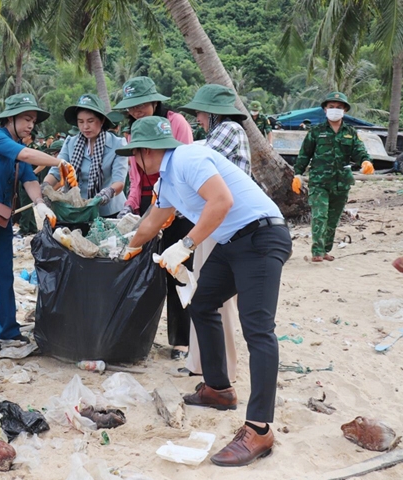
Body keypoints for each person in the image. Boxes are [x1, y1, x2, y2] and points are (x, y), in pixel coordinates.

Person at [120, 116, 292, 467]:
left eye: (133, 154)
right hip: (234, 241)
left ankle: (259, 428)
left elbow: (221, 201)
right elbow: (154, 219)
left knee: (258, 329)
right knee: (201, 304)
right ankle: (219, 389)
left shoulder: (188, 158)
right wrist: (125, 248)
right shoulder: (167, 179)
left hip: (261, 236)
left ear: (144, 152)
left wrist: (185, 245)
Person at [0, 93, 75, 351]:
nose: (30, 125)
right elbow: (25, 156)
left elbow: (29, 180)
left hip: (1, 215)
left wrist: (40, 204)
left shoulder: (16, 144)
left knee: (4, 273)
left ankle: (8, 329)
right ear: (10, 119)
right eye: (26, 119)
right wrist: (60, 161)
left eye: (33, 120)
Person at [113, 76, 194, 360]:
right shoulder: (131, 133)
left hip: (180, 206)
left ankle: (181, 341)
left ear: (155, 101)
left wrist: (168, 211)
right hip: (151, 203)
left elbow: (183, 170)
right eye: (131, 107)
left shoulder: (176, 123)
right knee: (147, 272)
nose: (136, 111)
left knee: (178, 271)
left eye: (141, 104)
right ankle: (139, 335)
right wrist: (131, 207)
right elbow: (136, 180)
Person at [178, 84, 250, 380]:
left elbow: (196, 161)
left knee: (212, 297)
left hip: (222, 221)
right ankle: (200, 361)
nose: (197, 117)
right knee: (204, 292)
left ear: (211, 112)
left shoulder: (229, 129)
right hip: (218, 221)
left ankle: (222, 367)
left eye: (200, 112)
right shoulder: (225, 131)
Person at [293, 91, 372, 263]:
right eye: (331, 107)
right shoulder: (316, 132)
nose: (334, 110)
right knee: (320, 215)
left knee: (333, 218)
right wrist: (297, 173)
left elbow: (358, 151)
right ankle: (317, 252)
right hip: (319, 182)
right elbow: (304, 154)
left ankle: (325, 249)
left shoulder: (350, 132)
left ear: (344, 110)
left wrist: (366, 161)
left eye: (338, 107)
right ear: (325, 109)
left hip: (342, 182)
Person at [42, 93, 128, 219]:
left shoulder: (118, 144)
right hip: (77, 209)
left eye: (90, 121)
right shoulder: (70, 142)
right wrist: (45, 187)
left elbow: (119, 181)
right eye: (80, 122)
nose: (85, 127)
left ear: (102, 120)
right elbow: (57, 170)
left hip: (108, 210)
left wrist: (107, 193)